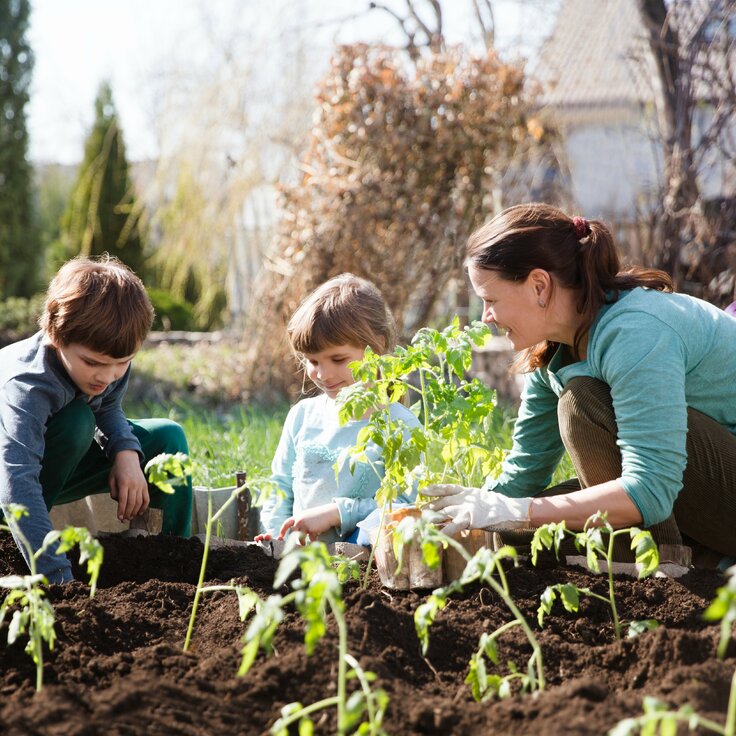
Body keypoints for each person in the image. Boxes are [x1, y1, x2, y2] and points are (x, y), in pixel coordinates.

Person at [427, 203, 736, 565]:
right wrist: (461, 513)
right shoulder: (554, 348)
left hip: (702, 487)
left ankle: (664, 568)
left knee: (581, 403)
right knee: (511, 536)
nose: (486, 317)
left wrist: (520, 509)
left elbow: (650, 489)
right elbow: (523, 476)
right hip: (690, 489)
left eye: (490, 300)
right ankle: (702, 557)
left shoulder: (635, 333)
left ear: (539, 285)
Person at [0, 256, 193, 584]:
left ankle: (175, 565)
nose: (107, 376)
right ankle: (14, 546)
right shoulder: (26, 384)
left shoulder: (110, 357)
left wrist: (126, 452)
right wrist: (58, 577)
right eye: (92, 363)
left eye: (122, 363)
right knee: (77, 422)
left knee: (167, 438)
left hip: (52, 464)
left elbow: (106, 406)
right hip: (10, 484)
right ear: (55, 335)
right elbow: (15, 484)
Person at [255, 273, 420, 544]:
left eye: (338, 359)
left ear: (376, 348)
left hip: (364, 565)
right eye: (313, 361)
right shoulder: (303, 417)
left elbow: (407, 506)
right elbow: (280, 488)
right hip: (301, 560)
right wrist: (277, 536)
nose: (323, 374)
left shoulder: (399, 425)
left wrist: (337, 513)